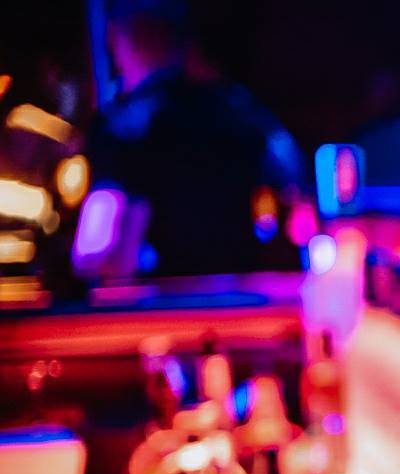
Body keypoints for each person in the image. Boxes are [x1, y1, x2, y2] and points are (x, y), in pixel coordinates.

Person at [77, 0, 303, 278]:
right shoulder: (242, 111)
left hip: (155, 298)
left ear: (121, 39)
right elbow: (296, 192)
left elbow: (97, 246)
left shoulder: (120, 126)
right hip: (236, 293)